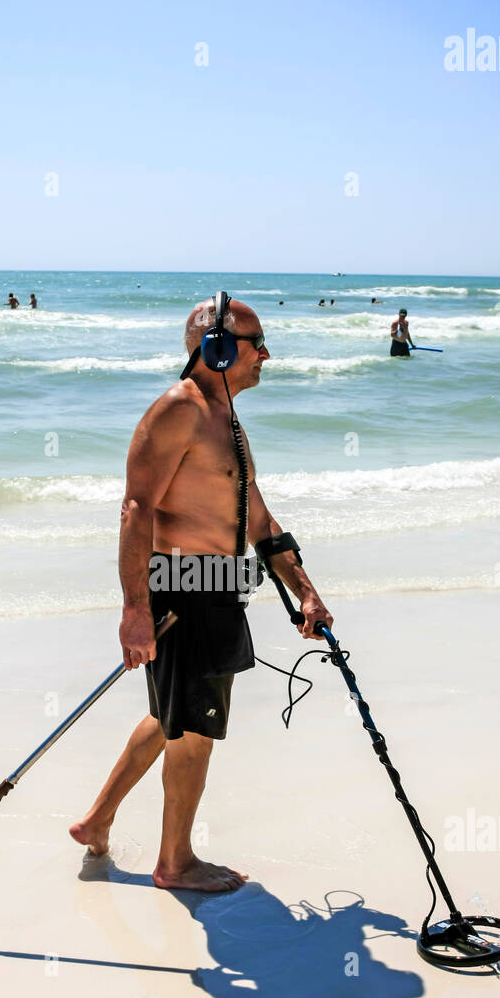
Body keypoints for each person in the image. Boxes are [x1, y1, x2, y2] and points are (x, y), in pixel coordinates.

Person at [70, 295, 332, 893]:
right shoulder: (178, 412)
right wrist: (136, 610)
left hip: (215, 594)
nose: (266, 354)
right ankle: (175, 864)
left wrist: (306, 593)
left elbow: (259, 522)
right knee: (193, 732)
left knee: (172, 715)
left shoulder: (228, 422)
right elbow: (136, 511)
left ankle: (97, 820)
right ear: (216, 348)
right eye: (256, 342)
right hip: (182, 594)